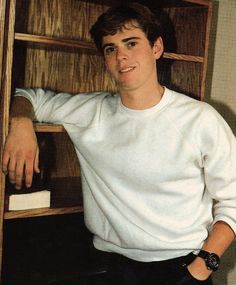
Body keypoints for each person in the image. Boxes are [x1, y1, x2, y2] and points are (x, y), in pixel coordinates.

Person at [2, 3, 236, 285]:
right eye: (110, 48)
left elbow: (233, 200)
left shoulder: (200, 119)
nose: (121, 56)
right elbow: (27, 95)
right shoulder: (90, 112)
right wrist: (20, 122)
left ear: (156, 48)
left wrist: (202, 267)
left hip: (183, 267)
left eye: (131, 42)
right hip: (110, 267)